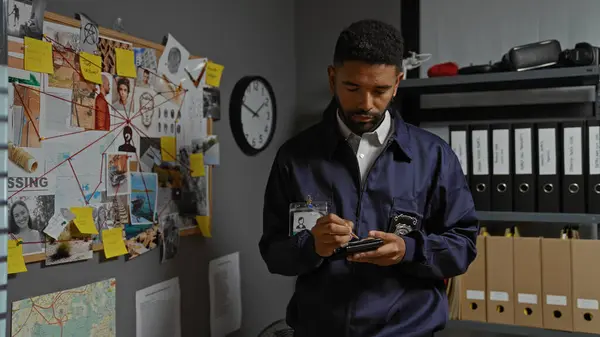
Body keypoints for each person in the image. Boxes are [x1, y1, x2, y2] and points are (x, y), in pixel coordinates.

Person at [258, 20, 479, 337]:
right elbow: (274, 253)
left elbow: (463, 245)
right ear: (333, 78)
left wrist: (408, 250)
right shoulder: (294, 158)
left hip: (407, 331)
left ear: (398, 83)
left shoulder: (435, 157)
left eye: (380, 91)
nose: (365, 104)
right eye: (352, 88)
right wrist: (313, 246)